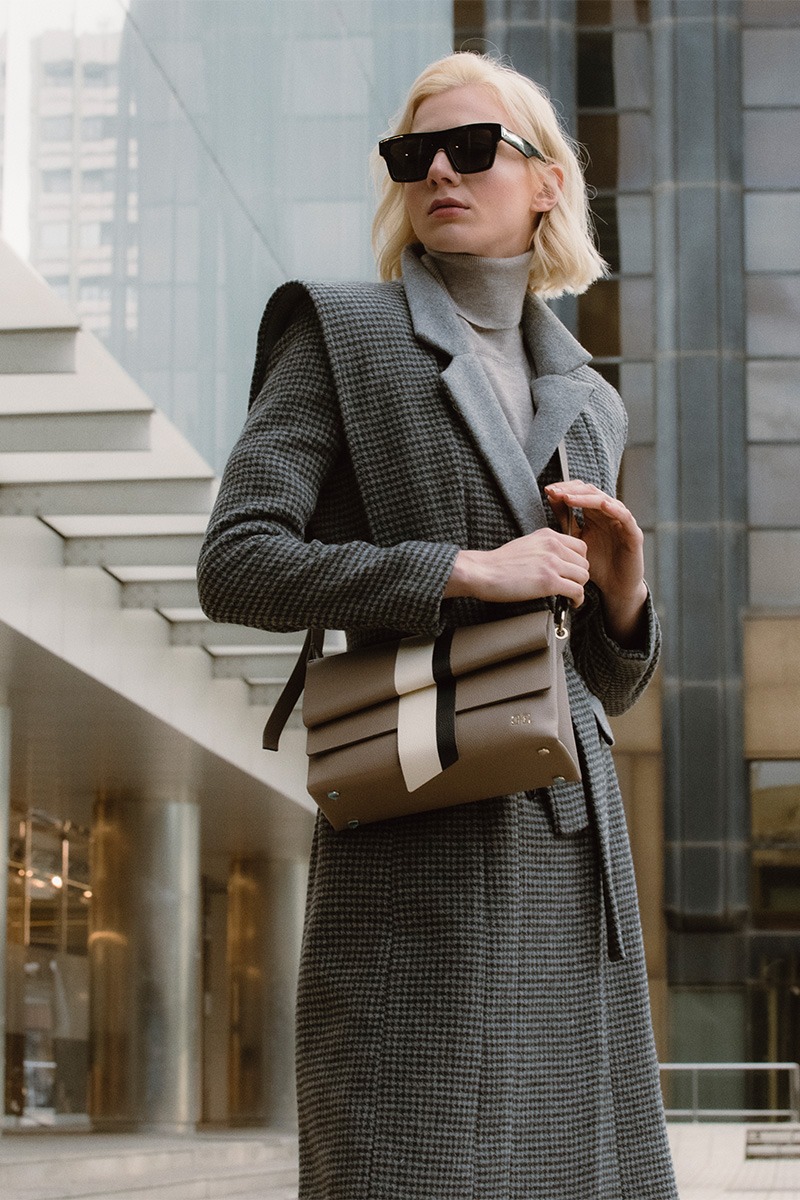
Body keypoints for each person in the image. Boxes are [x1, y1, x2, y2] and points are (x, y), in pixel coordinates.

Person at [197, 51, 678, 1200]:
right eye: (415, 157)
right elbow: (237, 565)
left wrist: (620, 596)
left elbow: (594, 688)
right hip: (417, 838)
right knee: (404, 1158)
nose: (441, 175)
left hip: (569, 850)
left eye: (474, 150)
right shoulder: (339, 333)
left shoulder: (590, 397)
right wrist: (464, 569)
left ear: (546, 181)